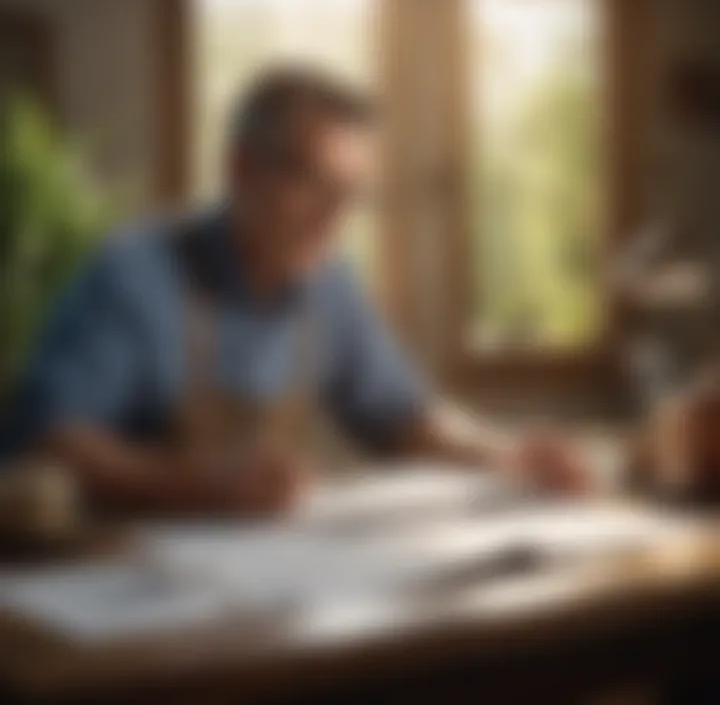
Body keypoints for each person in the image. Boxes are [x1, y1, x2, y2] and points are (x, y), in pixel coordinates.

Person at [0, 66, 590, 516]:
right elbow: (50, 439)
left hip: (262, 587)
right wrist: (199, 483)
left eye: (352, 195)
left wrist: (501, 453)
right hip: (122, 593)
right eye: (314, 183)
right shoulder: (132, 276)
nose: (334, 217)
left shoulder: (329, 285)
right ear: (239, 169)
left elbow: (405, 415)